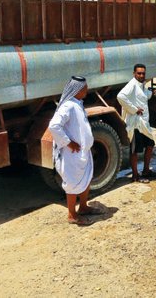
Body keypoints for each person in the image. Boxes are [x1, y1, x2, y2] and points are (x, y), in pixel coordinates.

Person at [49, 76, 103, 225]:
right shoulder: (68, 106)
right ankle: (72, 215)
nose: (86, 89)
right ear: (77, 89)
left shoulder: (77, 104)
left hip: (83, 152)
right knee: (72, 183)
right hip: (72, 154)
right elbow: (54, 126)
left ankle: (84, 207)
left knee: (86, 179)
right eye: (84, 87)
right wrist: (68, 142)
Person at [117, 64, 156, 183]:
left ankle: (146, 170)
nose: (141, 75)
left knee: (150, 145)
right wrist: (134, 109)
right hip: (135, 124)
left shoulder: (142, 85)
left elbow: (143, 97)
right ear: (134, 73)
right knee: (135, 150)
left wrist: (152, 93)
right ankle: (135, 176)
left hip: (144, 124)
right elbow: (120, 97)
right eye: (139, 73)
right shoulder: (132, 85)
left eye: (143, 73)